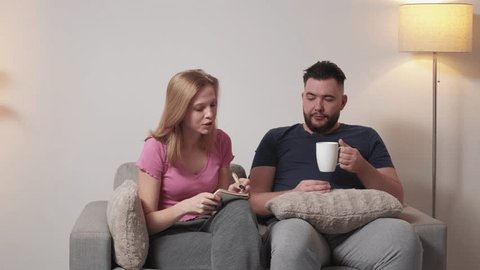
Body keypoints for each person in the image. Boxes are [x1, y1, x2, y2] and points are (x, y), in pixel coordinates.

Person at [248, 61, 422, 270]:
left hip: (356, 231)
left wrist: (362, 167)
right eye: (311, 97)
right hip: (300, 227)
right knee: (290, 239)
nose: (318, 107)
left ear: (343, 101)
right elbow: (254, 199)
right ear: (302, 97)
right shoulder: (276, 138)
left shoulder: (366, 136)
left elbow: (396, 197)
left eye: (328, 99)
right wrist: (293, 194)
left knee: (403, 237)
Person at [137, 69, 263, 270]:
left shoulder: (221, 140)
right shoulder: (156, 147)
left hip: (211, 223)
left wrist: (233, 192)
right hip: (170, 234)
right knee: (238, 249)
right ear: (180, 110)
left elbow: (221, 200)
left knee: (239, 209)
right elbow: (145, 223)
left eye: (213, 105)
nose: (210, 114)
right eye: (199, 108)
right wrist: (185, 207)